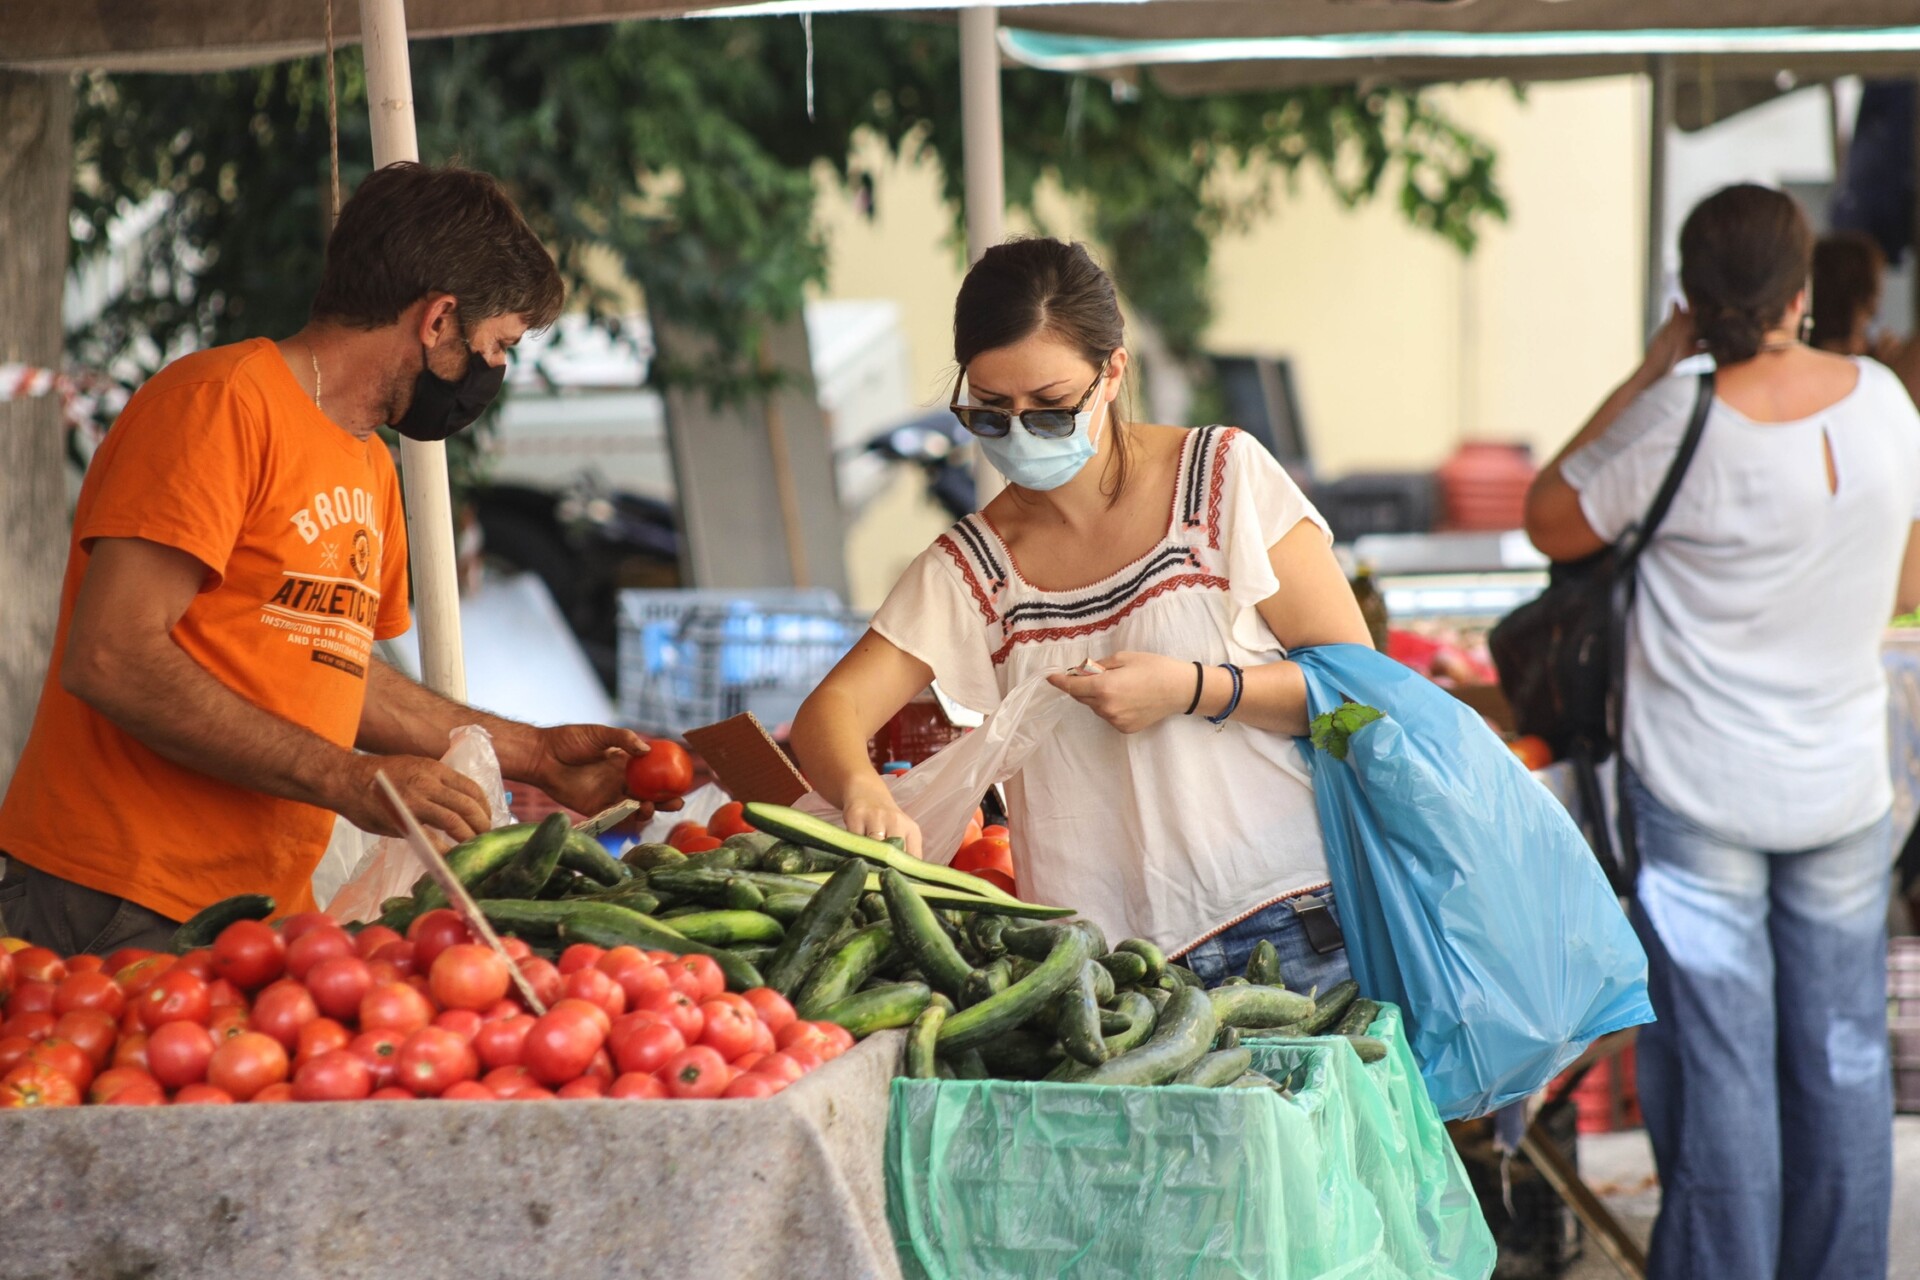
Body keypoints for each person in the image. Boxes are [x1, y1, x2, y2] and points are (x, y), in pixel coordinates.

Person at [0, 162, 656, 956]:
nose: (499, 373)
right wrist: (348, 779)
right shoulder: (218, 404)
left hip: (256, 916)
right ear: (439, 319)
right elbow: (111, 655)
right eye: (500, 346)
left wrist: (539, 754)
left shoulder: (369, 462)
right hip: (115, 893)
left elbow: (345, 671)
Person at [788, 237, 1374, 992]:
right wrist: (864, 791)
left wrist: (1193, 689)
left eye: (1053, 409)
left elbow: (1357, 699)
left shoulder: (1223, 478)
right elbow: (828, 712)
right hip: (1099, 974)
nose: (1022, 432)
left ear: (1113, 373)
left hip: (1291, 931)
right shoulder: (976, 565)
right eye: (991, 414)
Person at [1525, 184, 1920, 1280]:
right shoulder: (1886, 403)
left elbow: (1548, 513)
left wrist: (1657, 363)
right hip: (1842, 781)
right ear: (1802, 292)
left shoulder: (1676, 417)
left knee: (1727, 1061)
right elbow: (1906, 581)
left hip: (1699, 788)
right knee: (1844, 1056)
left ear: (1693, 303)